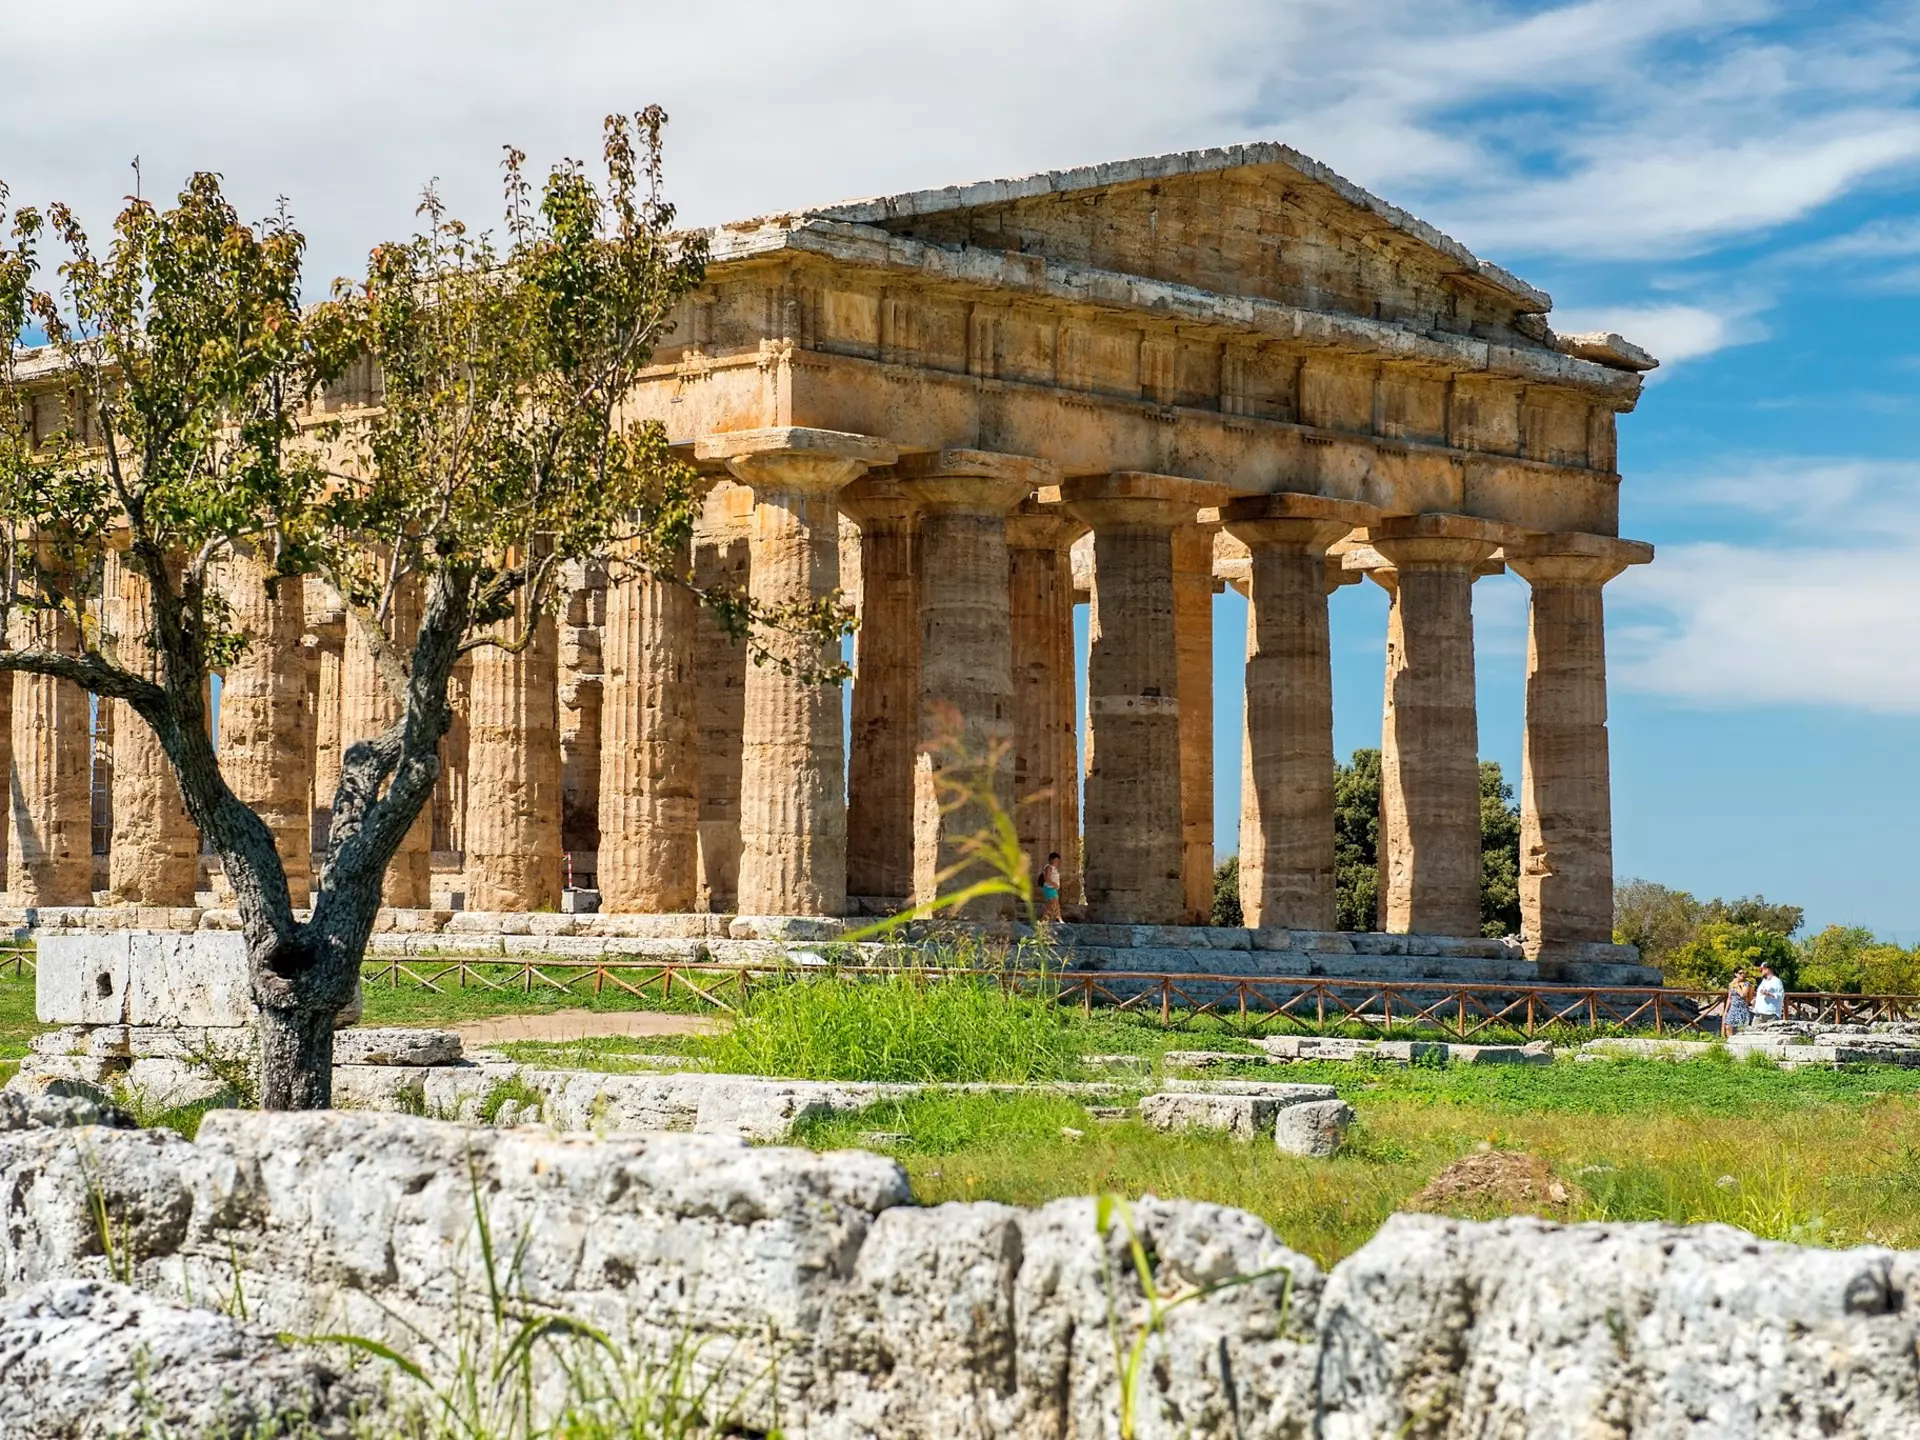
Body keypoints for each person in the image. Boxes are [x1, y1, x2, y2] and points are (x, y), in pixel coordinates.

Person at [1724, 968, 1753, 1034]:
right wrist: (1726, 1011)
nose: (1742, 974)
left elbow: (1743, 994)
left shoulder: (1746, 984)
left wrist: (1737, 986)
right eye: (1740, 973)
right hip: (1733, 1007)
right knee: (1728, 1026)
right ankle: (1729, 1041)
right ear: (1736, 974)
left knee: (1741, 1028)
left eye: (1743, 973)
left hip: (1742, 1007)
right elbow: (1729, 998)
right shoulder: (1731, 984)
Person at [1038, 852, 1063, 923]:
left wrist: (1056, 886)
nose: (1057, 862)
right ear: (1051, 859)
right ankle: (1042, 921)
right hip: (1048, 888)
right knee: (1052, 904)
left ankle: (1060, 920)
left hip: (1053, 889)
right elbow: (1047, 879)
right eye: (1056, 860)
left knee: (1057, 905)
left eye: (1058, 861)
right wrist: (1054, 884)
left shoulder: (1055, 868)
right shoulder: (1048, 867)